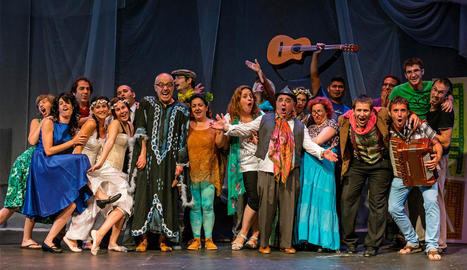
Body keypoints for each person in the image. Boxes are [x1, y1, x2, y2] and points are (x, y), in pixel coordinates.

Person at [211, 86, 338, 254]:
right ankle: (264, 243)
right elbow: (245, 129)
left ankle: (286, 244)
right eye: (280, 100)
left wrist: (323, 152)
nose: (283, 104)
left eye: (288, 101)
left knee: (288, 208)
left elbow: (308, 145)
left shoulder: (299, 126)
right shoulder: (265, 119)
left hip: (290, 172)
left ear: (293, 105)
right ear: (276, 103)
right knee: (266, 208)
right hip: (267, 170)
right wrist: (227, 128)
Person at [22, 92, 90, 253]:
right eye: (60, 103)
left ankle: (49, 240)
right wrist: (73, 142)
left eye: (67, 103)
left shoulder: (72, 127)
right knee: (81, 159)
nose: (64, 105)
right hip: (44, 163)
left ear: (73, 107)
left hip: (57, 165)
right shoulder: (49, 123)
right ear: (57, 107)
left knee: (72, 203)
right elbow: (48, 150)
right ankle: (97, 193)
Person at [130, 73, 190, 252]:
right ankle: (143, 240)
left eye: (169, 85)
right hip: (148, 158)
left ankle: (164, 240)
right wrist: (142, 153)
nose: (165, 88)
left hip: (169, 161)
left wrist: (180, 164)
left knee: (167, 196)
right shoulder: (147, 103)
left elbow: (182, 138)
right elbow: (140, 128)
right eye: (161, 85)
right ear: (155, 87)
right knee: (144, 195)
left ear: (173, 87)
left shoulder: (182, 109)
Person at [387, 96, 443, 261]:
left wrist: (437, 158)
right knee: (394, 208)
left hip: (425, 172)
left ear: (408, 111)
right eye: (396, 110)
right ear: (390, 113)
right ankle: (412, 240)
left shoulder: (420, 124)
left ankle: (432, 245)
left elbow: (437, 144)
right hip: (402, 174)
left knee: (431, 204)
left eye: (403, 110)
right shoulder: (387, 127)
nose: (399, 114)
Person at [63, 96, 120, 252]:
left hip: (92, 169)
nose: (102, 110)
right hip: (81, 167)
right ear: (92, 110)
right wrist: (80, 172)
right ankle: (71, 237)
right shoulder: (90, 124)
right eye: (98, 107)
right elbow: (77, 149)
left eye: (104, 106)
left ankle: (77, 237)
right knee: (90, 202)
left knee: (91, 206)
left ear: (109, 109)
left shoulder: (105, 125)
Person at [339, 95, 394, 257]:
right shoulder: (345, 121)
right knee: (347, 199)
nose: (362, 114)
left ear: (371, 111)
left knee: (377, 203)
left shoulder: (382, 115)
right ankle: (350, 242)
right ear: (353, 110)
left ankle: (372, 245)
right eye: (359, 110)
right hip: (357, 163)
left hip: (380, 164)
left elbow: (400, 113)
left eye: (365, 110)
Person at [0, 94, 54, 249]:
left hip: (43, 164)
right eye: (39, 104)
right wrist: (44, 122)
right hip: (27, 164)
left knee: (33, 202)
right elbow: (32, 140)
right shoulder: (37, 121)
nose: (41, 106)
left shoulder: (57, 122)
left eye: (44, 102)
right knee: (12, 205)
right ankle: (26, 238)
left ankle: (27, 238)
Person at [88, 97, 134, 255]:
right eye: (118, 109)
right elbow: (109, 142)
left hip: (118, 170)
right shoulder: (115, 123)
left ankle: (112, 242)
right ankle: (99, 233)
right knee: (126, 201)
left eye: (124, 108)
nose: (122, 111)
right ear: (114, 112)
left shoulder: (129, 125)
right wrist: (100, 163)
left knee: (121, 206)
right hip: (108, 166)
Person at [295, 97, 340, 252]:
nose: (316, 114)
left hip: (325, 163)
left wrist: (300, 142)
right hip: (308, 165)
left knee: (323, 201)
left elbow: (318, 140)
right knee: (308, 200)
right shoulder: (309, 126)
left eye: (319, 111)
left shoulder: (332, 124)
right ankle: (308, 239)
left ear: (327, 111)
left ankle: (325, 241)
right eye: (313, 112)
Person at [224, 85, 262, 250]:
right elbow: (221, 142)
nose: (250, 99)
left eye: (251, 96)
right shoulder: (229, 118)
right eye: (245, 96)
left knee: (258, 199)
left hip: (260, 162)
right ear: (238, 100)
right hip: (240, 164)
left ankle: (254, 235)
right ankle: (241, 233)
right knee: (247, 200)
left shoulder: (260, 116)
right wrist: (222, 130)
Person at [185, 94, 224, 250]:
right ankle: (196, 239)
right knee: (195, 206)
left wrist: (220, 131)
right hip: (192, 172)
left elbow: (220, 145)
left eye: (200, 105)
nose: (197, 108)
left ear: (206, 107)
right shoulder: (187, 126)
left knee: (207, 206)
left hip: (209, 171)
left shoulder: (213, 125)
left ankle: (208, 239)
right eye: (194, 106)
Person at [427, 78, 454, 254]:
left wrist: (425, 132)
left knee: (436, 199)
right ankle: (427, 239)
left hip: (438, 158)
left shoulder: (445, 111)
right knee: (426, 200)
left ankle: (440, 242)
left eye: (441, 92)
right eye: (435, 90)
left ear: (446, 96)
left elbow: (445, 140)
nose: (436, 94)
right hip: (421, 156)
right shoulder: (426, 101)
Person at [389, 57, 453, 119]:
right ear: (405, 75)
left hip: (431, 124)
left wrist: (449, 100)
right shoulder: (397, 90)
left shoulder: (432, 86)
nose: (413, 75)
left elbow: (447, 92)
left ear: (422, 71)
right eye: (409, 72)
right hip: (407, 125)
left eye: (416, 70)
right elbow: (388, 109)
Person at [310, 43, 350, 119]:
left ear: (344, 90)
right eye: (334, 86)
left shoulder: (348, 112)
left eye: (340, 87)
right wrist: (315, 55)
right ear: (328, 89)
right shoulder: (322, 100)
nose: (337, 89)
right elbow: (314, 77)